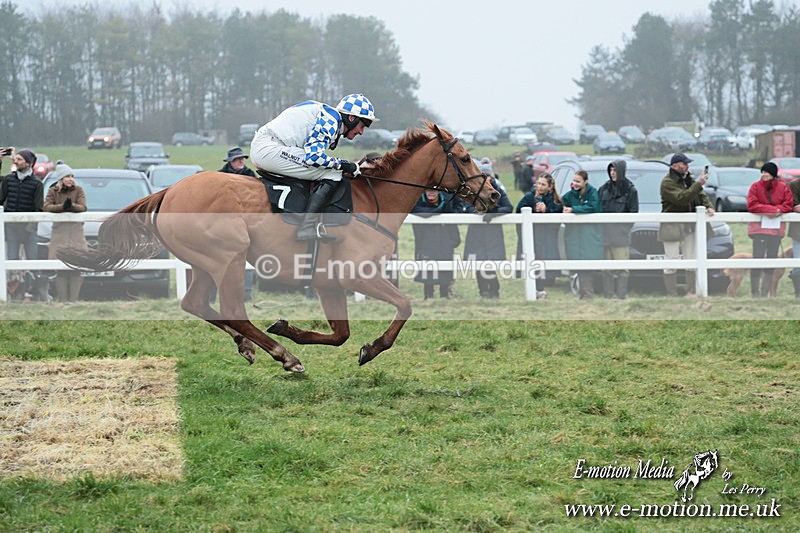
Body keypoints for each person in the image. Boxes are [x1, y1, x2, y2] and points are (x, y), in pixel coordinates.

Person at [250, 93, 378, 241]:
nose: (361, 132)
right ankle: (307, 227)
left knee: (328, 169)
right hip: (269, 148)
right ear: (351, 118)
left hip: (268, 145)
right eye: (362, 125)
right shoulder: (330, 120)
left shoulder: (327, 115)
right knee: (332, 174)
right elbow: (314, 158)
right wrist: (345, 165)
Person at [658, 153, 714, 297]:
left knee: (691, 259)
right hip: (671, 226)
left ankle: (691, 292)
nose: (687, 166)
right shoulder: (667, 182)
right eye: (684, 164)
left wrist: (708, 206)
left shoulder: (688, 179)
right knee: (671, 261)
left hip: (689, 226)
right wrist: (698, 183)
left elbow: (700, 195)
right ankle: (672, 294)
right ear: (675, 165)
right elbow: (681, 198)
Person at [463, 163, 513, 298]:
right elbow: (467, 208)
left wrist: (493, 212)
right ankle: (483, 290)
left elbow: (508, 207)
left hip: (493, 234)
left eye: (488, 176)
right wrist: (479, 211)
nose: (486, 179)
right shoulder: (472, 191)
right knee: (478, 263)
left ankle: (494, 289)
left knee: (491, 264)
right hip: (476, 234)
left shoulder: (498, 191)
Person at [746, 162, 794, 298]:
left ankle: (764, 292)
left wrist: (778, 210)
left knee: (772, 258)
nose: (763, 174)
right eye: (762, 172)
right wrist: (773, 210)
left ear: (773, 174)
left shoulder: (783, 188)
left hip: (776, 230)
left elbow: (788, 204)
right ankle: (755, 293)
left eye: (766, 172)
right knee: (758, 258)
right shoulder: (755, 186)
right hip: (759, 230)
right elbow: (752, 205)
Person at [43, 162, 87, 302]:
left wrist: (71, 206)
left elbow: (83, 207)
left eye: (71, 176)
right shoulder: (52, 191)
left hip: (76, 233)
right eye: (67, 176)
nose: (70, 178)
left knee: (77, 267)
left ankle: (73, 301)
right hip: (59, 234)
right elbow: (47, 206)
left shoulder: (79, 190)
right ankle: (63, 301)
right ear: (61, 178)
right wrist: (62, 207)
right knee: (60, 267)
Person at [218, 147, 256, 300]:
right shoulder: (220, 176)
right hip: (224, 223)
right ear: (230, 162)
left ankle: (246, 293)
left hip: (245, 222)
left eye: (242, 158)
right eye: (237, 159)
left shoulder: (250, 175)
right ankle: (216, 295)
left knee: (245, 259)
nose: (241, 161)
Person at [598, 159, 639, 299]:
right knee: (606, 268)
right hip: (605, 235)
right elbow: (598, 210)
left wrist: (622, 229)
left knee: (622, 268)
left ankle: (621, 296)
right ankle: (608, 296)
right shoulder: (603, 189)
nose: (612, 173)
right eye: (610, 170)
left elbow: (633, 213)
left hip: (621, 236)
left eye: (615, 170)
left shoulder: (631, 190)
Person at [516, 173, 563, 290]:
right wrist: (533, 210)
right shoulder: (529, 197)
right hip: (534, 234)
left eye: (543, 184)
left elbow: (559, 213)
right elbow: (519, 210)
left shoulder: (556, 200)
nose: (540, 186)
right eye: (539, 183)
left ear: (550, 187)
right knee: (534, 259)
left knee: (548, 259)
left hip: (549, 235)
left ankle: (549, 278)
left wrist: (546, 210)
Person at [411, 190, 461, 299]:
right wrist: (439, 210)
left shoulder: (448, 200)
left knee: (445, 270)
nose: (431, 192)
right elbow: (416, 211)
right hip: (425, 242)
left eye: (434, 190)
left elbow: (458, 210)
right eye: (429, 190)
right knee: (427, 271)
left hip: (445, 242)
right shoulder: (418, 201)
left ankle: (444, 296)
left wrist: (452, 241)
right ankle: (428, 297)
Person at [562, 170, 603, 299]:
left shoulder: (593, 193)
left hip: (588, 235)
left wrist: (574, 209)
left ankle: (588, 293)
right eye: (574, 181)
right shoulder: (569, 196)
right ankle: (584, 293)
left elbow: (594, 207)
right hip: (574, 235)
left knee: (587, 264)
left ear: (586, 182)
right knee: (577, 263)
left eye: (578, 181)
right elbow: (560, 205)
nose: (575, 184)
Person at [1, 149, 44, 261]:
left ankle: (34, 278)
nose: (15, 161)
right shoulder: (8, 179)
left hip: (28, 228)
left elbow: (39, 208)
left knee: (32, 259)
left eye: (19, 159)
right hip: (11, 227)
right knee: (12, 259)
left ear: (29, 163)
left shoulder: (37, 183)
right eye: (15, 159)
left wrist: (30, 228)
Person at [789, 177, 800, 298]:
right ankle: (798, 293)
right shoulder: (794, 185)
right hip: (798, 232)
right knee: (797, 263)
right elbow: (793, 205)